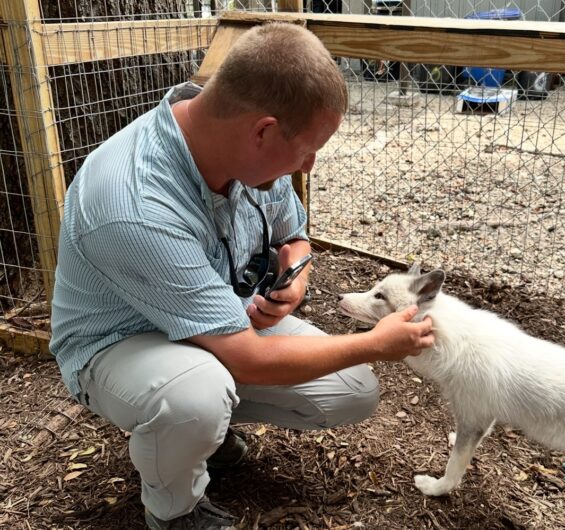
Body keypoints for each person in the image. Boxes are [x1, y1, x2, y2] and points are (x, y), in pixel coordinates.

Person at [50, 22, 434, 530]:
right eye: (307, 150)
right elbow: (248, 356)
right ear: (263, 131)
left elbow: (293, 231)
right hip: (120, 341)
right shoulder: (134, 202)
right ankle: (175, 509)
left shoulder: (244, 157)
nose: (310, 165)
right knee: (194, 395)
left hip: (217, 320)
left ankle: (199, 430)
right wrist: (375, 343)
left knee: (350, 389)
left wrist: (294, 273)